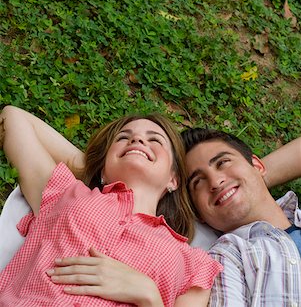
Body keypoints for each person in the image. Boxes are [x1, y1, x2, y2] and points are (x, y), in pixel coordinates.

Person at [0, 106, 222, 307]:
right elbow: (13, 118)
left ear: (173, 179)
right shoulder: (66, 193)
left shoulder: (192, 264)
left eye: (155, 140)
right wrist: (95, 169)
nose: (137, 140)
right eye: (124, 138)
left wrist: (149, 295)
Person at [182, 127, 301, 306]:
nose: (215, 182)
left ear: (258, 166)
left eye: (223, 162)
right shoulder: (227, 257)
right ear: (199, 214)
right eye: (198, 182)